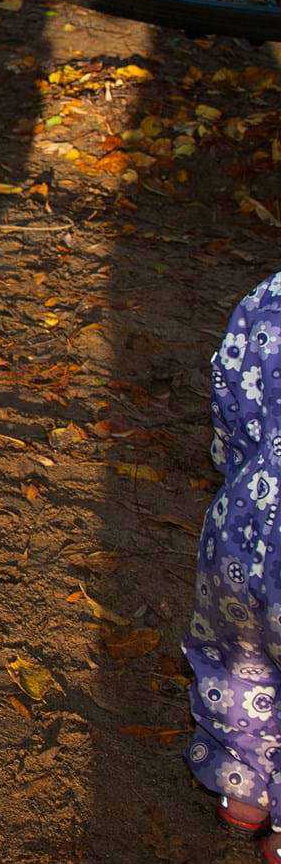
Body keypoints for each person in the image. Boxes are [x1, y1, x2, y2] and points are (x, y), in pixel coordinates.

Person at [183, 270, 281, 855]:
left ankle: (243, 784)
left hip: (246, 532)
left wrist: (241, 470)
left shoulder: (269, 298)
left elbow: (230, 397)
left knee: (239, 662)